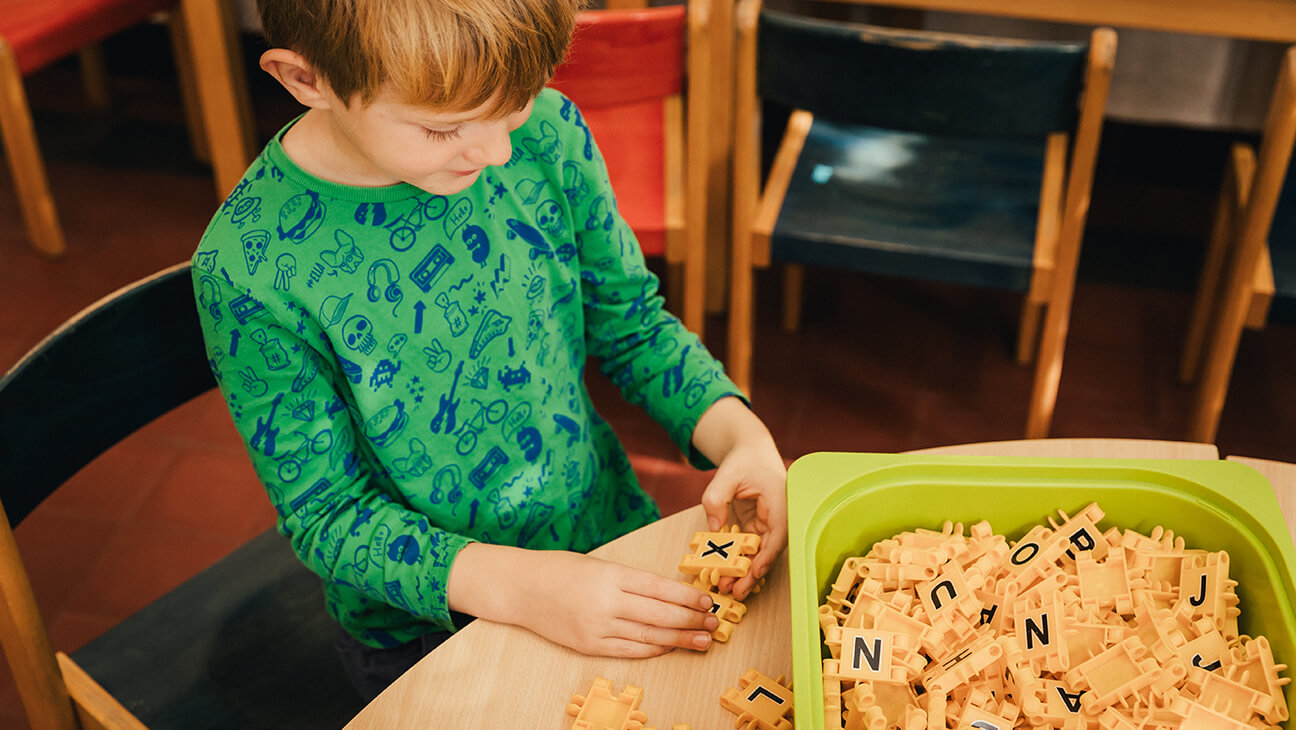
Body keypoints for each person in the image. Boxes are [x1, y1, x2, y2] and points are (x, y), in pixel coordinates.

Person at [191, 0, 788, 699]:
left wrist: (742, 438)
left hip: (600, 536)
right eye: (443, 129)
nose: (497, 152)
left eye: (515, 106)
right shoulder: (247, 271)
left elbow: (631, 323)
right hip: (421, 629)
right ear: (305, 79)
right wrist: (524, 589)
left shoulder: (548, 133)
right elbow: (328, 515)